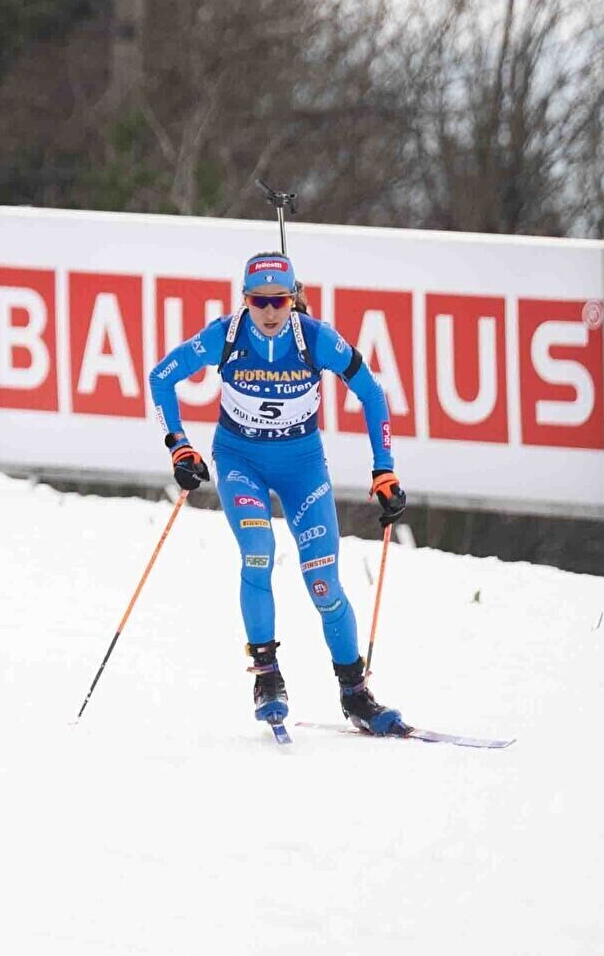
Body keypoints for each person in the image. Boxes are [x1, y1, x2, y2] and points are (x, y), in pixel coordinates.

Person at [143, 250, 412, 736]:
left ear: (293, 299)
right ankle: (267, 678)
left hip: (302, 468)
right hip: (240, 461)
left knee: (323, 582)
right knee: (258, 550)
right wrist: (179, 446)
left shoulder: (316, 338)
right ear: (244, 299)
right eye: (259, 301)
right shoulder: (225, 336)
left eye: (279, 301)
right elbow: (161, 376)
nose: (269, 311)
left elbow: (372, 393)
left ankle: (355, 693)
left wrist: (384, 470)